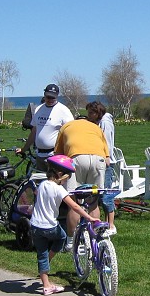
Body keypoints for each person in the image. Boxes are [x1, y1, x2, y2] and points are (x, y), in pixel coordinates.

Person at [25, 154, 100, 295]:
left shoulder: (42, 185)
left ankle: (46, 285)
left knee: (41, 253)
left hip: (35, 226)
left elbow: (36, 195)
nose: (68, 179)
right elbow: (75, 207)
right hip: (49, 226)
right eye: (68, 176)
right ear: (60, 174)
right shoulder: (59, 189)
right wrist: (89, 218)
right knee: (62, 237)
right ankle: (48, 260)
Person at [54, 102, 112, 234]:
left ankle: (70, 241)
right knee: (93, 201)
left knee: (73, 203)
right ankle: (95, 236)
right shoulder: (96, 128)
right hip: (99, 159)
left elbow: (58, 155)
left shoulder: (66, 126)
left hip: (77, 158)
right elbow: (107, 158)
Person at [21, 83, 74, 170]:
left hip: (55, 155)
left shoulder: (63, 111)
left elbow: (71, 133)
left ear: (57, 96)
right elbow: (34, 131)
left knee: (54, 182)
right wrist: (24, 149)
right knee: (41, 182)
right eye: (48, 97)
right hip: (39, 155)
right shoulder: (39, 109)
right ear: (44, 95)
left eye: (53, 97)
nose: (50, 99)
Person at [93, 101, 119, 233]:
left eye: (92, 112)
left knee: (106, 195)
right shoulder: (99, 122)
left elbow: (106, 142)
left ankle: (111, 225)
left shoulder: (105, 122)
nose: (89, 115)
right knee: (98, 194)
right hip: (98, 161)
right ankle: (104, 223)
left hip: (105, 162)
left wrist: (105, 157)